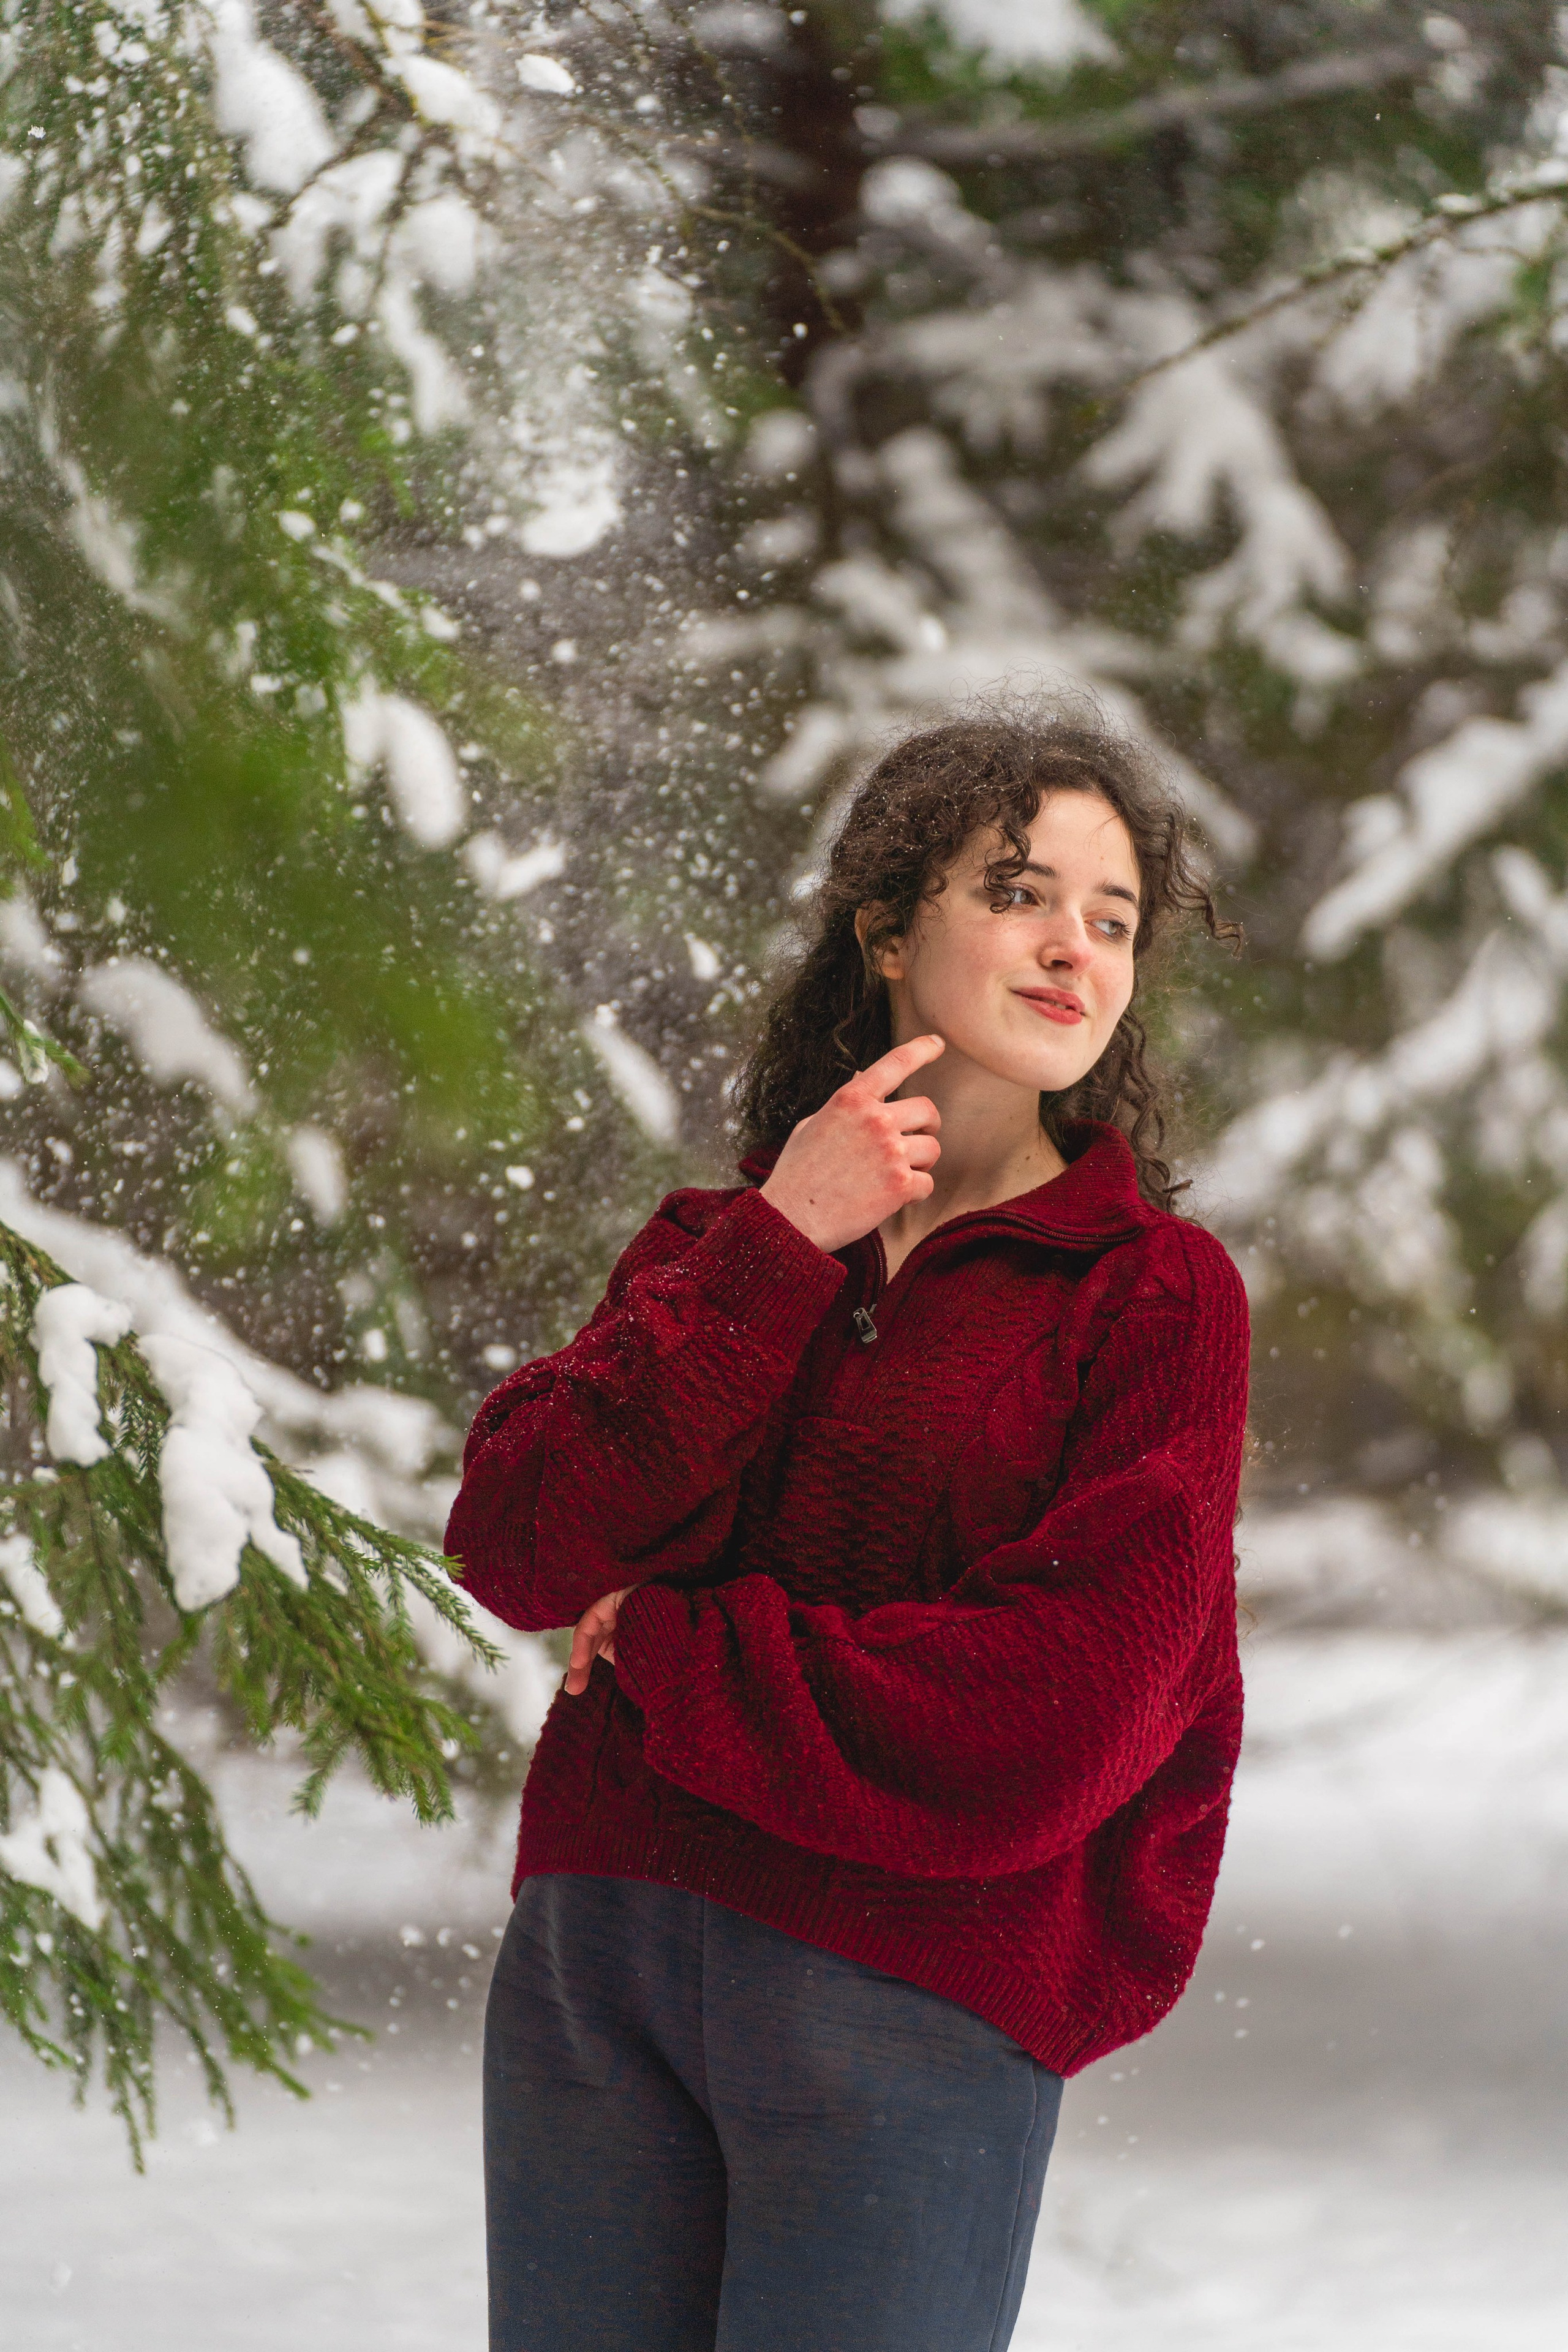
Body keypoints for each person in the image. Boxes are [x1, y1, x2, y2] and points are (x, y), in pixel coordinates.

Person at [445, 705, 1251, 2352]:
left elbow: (1046, 1719)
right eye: (1019, 893)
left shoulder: (1153, 1299)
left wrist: (678, 1651)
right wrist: (781, 1241)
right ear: (887, 929)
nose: (1074, 948)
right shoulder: (723, 1241)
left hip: (908, 1996)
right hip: (599, 1961)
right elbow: (518, 1540)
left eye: (1112, 921)